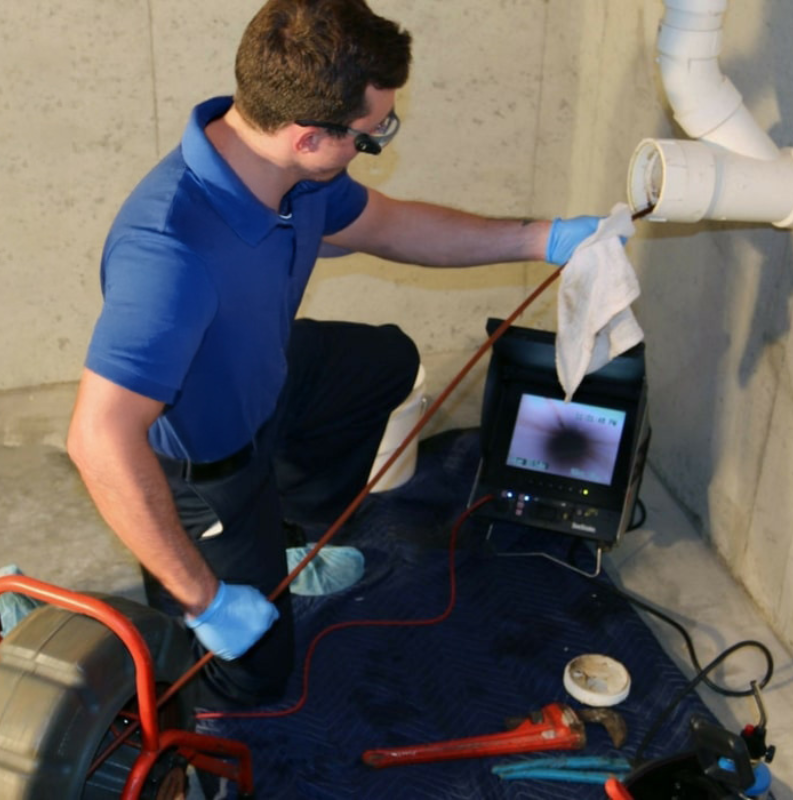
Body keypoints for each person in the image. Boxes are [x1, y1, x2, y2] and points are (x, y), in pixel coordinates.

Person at [67, 0, 606, 712]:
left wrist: (544, 237)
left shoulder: (295, 177)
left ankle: (284, 531)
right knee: (252, 680)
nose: (376, 140)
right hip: (204, 461)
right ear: (308, 135)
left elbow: (392, 226)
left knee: (384, 362)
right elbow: (98, 439)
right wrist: (205, 599)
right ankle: (126, 623)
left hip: (264, 377)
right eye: (370, 134)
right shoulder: (169, 252)